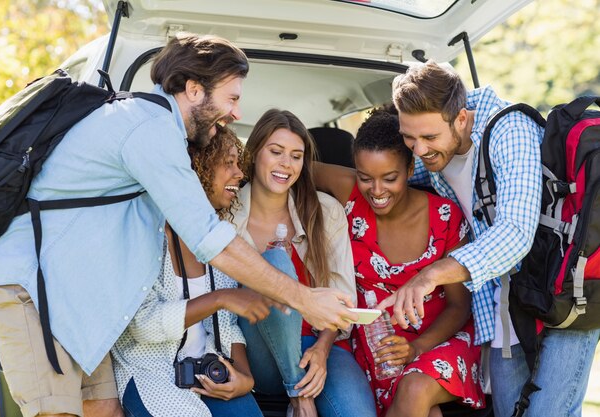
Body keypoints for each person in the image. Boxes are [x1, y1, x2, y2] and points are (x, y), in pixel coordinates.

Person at [0, 33, 356, 417]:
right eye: (232, 98)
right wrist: (304, 298)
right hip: (28, 282)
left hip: (70, 288)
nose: (236, 114)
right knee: (56, 411)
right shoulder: (149, 128)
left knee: (104, 409)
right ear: (193, 90)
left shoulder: (154, 125)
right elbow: (211, 239)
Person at [379, 60, 600, 417]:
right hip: (505, 304)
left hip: (562, 290)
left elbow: (515, 233)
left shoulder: (508, 129)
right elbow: (390, 178)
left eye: (428, 137)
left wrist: (430, 275)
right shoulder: (435, 152)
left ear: (462, 119)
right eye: (409, 138)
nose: (418, 150)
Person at [314, 106, 484, 417]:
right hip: (378, 346)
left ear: (410, 169)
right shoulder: (349, 191)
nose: (376, 191)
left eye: (389, 178)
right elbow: (291, 167)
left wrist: (417, 348)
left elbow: (459, 307)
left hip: (439, 339)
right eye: (366, 177)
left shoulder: (444, 215)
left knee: (415, 388)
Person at [112, 126, 269, 417]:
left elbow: (228, 325)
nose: (240, 174)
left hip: (208, 369)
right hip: (150, 371)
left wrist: (244, 379)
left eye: (239, 164)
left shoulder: (219, 235)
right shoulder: (146, 232)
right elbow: (141, 325)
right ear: (197, 167)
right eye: (229, 163)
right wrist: (219, 298)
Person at [233, 109, 376, 417]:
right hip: (258, 350)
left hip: (319, 342)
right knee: (274, 262)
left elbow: (343, 300)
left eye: (296, 156)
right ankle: (299, 397)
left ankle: (301, 387)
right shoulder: (226, 215)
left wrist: (322, 351)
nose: (286, 164)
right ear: (255, 152)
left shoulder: (325, 211)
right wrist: (300, 388)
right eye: (276, 152)